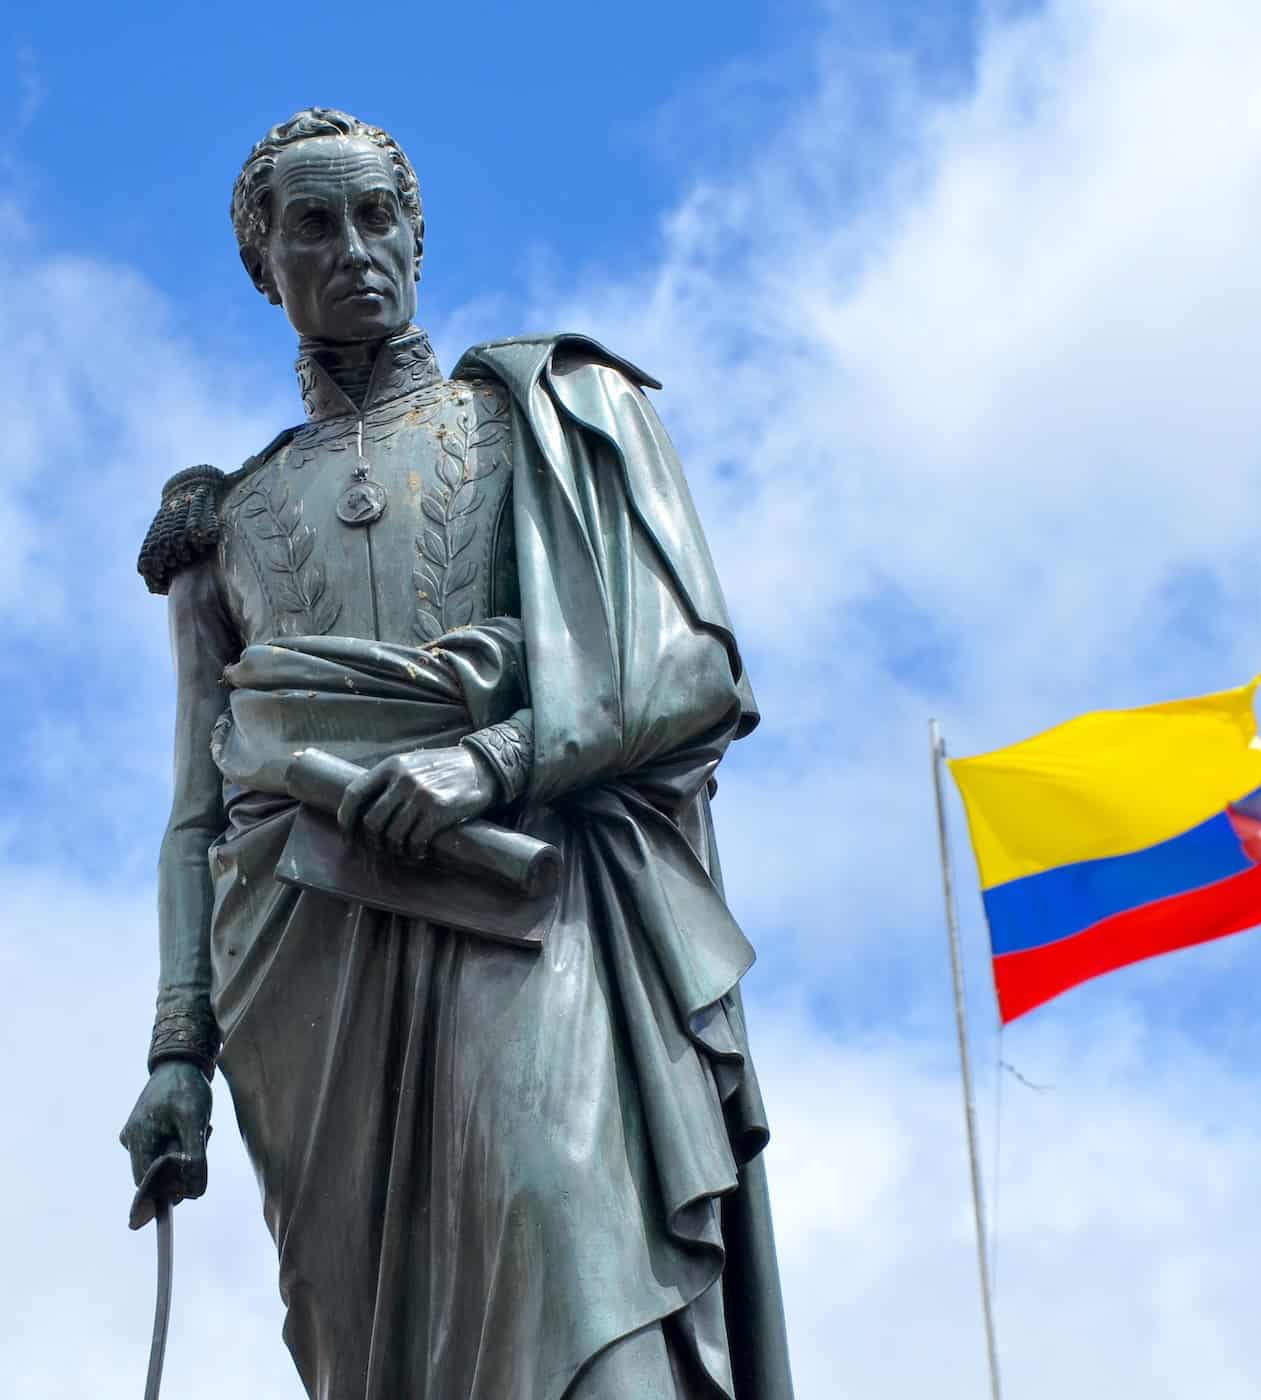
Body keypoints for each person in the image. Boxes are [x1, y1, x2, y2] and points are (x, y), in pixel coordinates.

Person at [118, 108, 794, 1400]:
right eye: (314, 225)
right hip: (312, 985)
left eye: (379, 216)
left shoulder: (544, 417)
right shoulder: (224, 527)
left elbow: (692, 668)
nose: (357, 248)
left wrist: (492, 762)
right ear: (266, 266)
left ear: (420, 233)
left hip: (531, 909)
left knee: (569, 1228)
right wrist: (175, 1057)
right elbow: (198, 815)